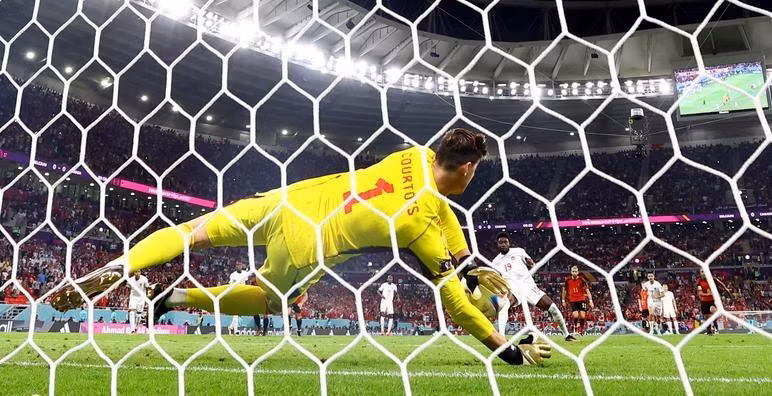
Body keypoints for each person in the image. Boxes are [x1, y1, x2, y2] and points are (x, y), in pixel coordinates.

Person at [49, 129, 551, 366]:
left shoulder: (413, 155)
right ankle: (180, 300)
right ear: (467, 169)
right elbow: (455, 301)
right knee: (272, 301)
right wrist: (500, 346)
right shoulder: (416, 223)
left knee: (189, 232)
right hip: (309, 243)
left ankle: (121, 264)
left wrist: (464, 257)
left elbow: (440, 205)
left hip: (285, 199)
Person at [492, 232, 575, 341]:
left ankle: (566, 335)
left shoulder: (519, 251)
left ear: (509, 243)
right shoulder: (495, 262)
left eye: (505, 242)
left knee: (553, 308)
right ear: (497, 244)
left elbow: (531, 262)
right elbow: (497, 279)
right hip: (513, 288)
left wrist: (533, 266)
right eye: (500, 242)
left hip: (528, 286)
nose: (503, 244)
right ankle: (501, 337)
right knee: (504, 305)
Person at [561, 266, 593, 335]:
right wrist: (563, 300)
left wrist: (590, 300)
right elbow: (564, 290)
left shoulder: (582, 279)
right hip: (573, 300)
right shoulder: (567, 280)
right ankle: (575, 327)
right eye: (573, 271)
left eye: (576, 272)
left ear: (578, 272)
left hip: (581, 299)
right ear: (571, 272)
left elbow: (587, 290)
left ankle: (581, 328)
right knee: (575, 315)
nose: (574, 273)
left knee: (582, 316)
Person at [697, 269, 729, 335]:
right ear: (700, 273)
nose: (703, 273)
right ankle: (709, 331)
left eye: (704, 271)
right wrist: (708, 294)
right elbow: (700, 293)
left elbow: (721, 284)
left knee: (713, 311)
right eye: (702, 272)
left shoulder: (712, 279)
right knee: (706, 317)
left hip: (713, 300)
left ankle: (715, 328)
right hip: (704, 301)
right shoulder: (699, 281)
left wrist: (726, 289)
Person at [227, 264, 248, 334]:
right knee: (235, 312)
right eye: (237, 265)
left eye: (240, 265)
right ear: (235, 267)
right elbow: (230, 284)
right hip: (235, 294)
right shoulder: (233, 275)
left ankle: (230, 327)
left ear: (242, 266)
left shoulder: (245, 273)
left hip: (243, 294)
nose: (238, 267)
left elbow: (246, 282)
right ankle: (236, 330)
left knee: (237, 313)